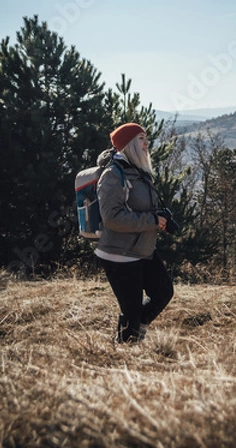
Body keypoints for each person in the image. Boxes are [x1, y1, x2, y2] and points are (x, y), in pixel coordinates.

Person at [94, 122, 174, 343]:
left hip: (142, 248)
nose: (146, 143)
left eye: (145, 138)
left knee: (163, 292)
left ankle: (133, 331)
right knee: (131, 313)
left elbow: (141, 207)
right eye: (140, 138)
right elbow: (112, 218)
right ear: (129, 144)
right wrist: (151, 221)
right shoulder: (112, 174)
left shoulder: (140, 173)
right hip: (119, 254)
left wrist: (160, 219)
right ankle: (124, 355)